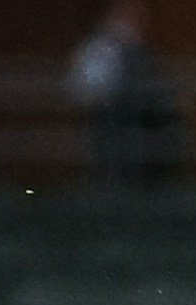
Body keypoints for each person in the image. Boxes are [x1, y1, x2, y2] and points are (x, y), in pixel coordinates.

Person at [68, 2, 181, 189]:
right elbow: (82, 87)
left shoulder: (141, 50)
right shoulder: (99, 49)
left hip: (146, 122)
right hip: (112, 122)